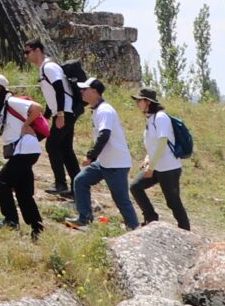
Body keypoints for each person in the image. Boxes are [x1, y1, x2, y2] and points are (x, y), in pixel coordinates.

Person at [65, 77, 139, 230]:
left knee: (121, 200)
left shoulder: (105, 111)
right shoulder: (97, 110)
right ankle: (84, 220)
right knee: (80, 181)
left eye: (84, 89)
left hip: (115, 164)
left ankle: (134, 229)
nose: (81, 92)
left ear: (95, 91)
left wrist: (90, 156)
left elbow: (104, 134)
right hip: (105, 162)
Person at [0, 72, 47, 238]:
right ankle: (37, 228)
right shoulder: (2, 104)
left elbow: (37, 108)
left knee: (1, 182)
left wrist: (26, 125)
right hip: (24, 151)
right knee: (23, 191)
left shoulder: (10, 100)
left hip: (25, 150)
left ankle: (11, 221)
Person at [23, 40, 82, 196]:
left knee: (52, 145)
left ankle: (60, 184)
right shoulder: (44, 69)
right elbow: (52, 96)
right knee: (66, 149)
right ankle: (78, 188)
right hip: (65, 112)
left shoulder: (49, 67)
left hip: (66, 112)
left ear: (38, 51)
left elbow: (59, 90)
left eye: (28, 52)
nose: (26, 56)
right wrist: (48, 115)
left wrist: (60, 114)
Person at [131, 88, 191, 230]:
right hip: (157, 166)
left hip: (168, 168)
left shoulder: (160, 117)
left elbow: (163, 142)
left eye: (139, 100)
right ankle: (151, 218)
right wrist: (147, 158)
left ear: (148, 102)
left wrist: (151, 167)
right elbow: (154, 143)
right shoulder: (151, 118)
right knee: (135, 187)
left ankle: (185, 231)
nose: (137, 103)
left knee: (173, 202)